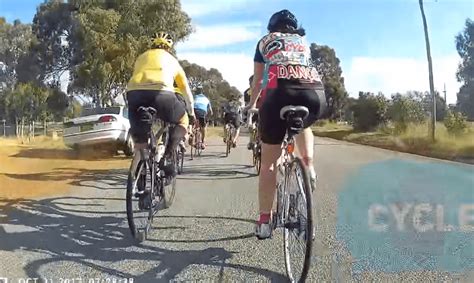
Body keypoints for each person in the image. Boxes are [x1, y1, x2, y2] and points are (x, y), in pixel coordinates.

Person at [245, 10, 326, 239]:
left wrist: (252, 105)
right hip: (314, 94)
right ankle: (308, 164)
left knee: (269, 163)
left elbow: (259, 81)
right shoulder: (303, 42)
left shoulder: (265, 42)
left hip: (278, 93)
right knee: (304, 123)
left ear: (272, 27)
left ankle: (264, 222)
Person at [126, 32, 195, 177]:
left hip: (134, 94)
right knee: (183, 120)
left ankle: (138, 177)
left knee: (140, 142)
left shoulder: (141, 58)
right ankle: (168, 157)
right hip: (161, 93)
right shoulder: (171, 59)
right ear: (168, 48)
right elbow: (185, 89)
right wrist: (191, 112)